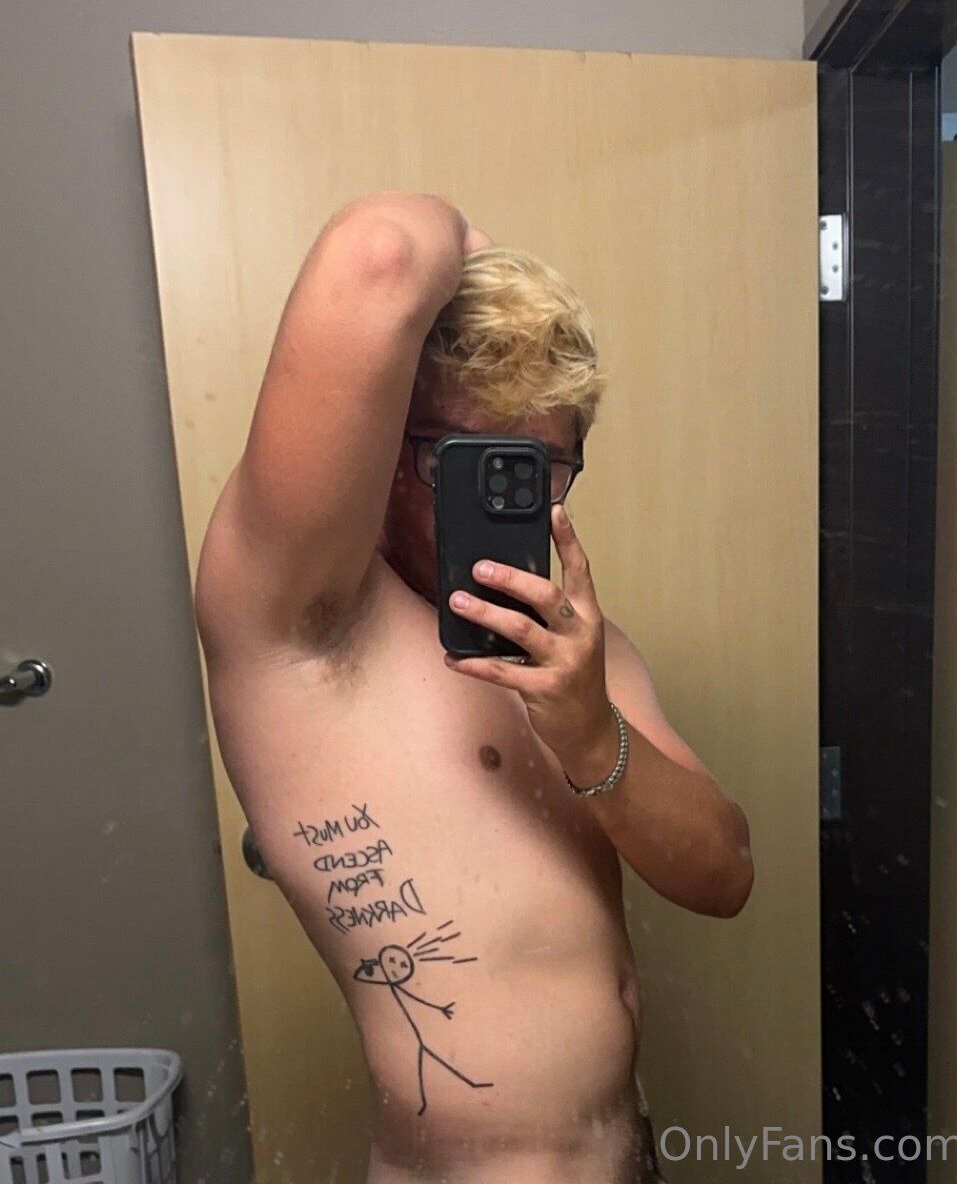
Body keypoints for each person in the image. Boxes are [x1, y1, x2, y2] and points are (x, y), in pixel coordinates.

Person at [195, 192, 754, 1183]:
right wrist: (472, 245)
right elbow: (377, 253)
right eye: (458, 460)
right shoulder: (302, 630)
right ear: (380, 447)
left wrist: (592, 736)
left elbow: (725, 875)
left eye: (534, 466)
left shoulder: (584, 653)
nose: (499, 498)